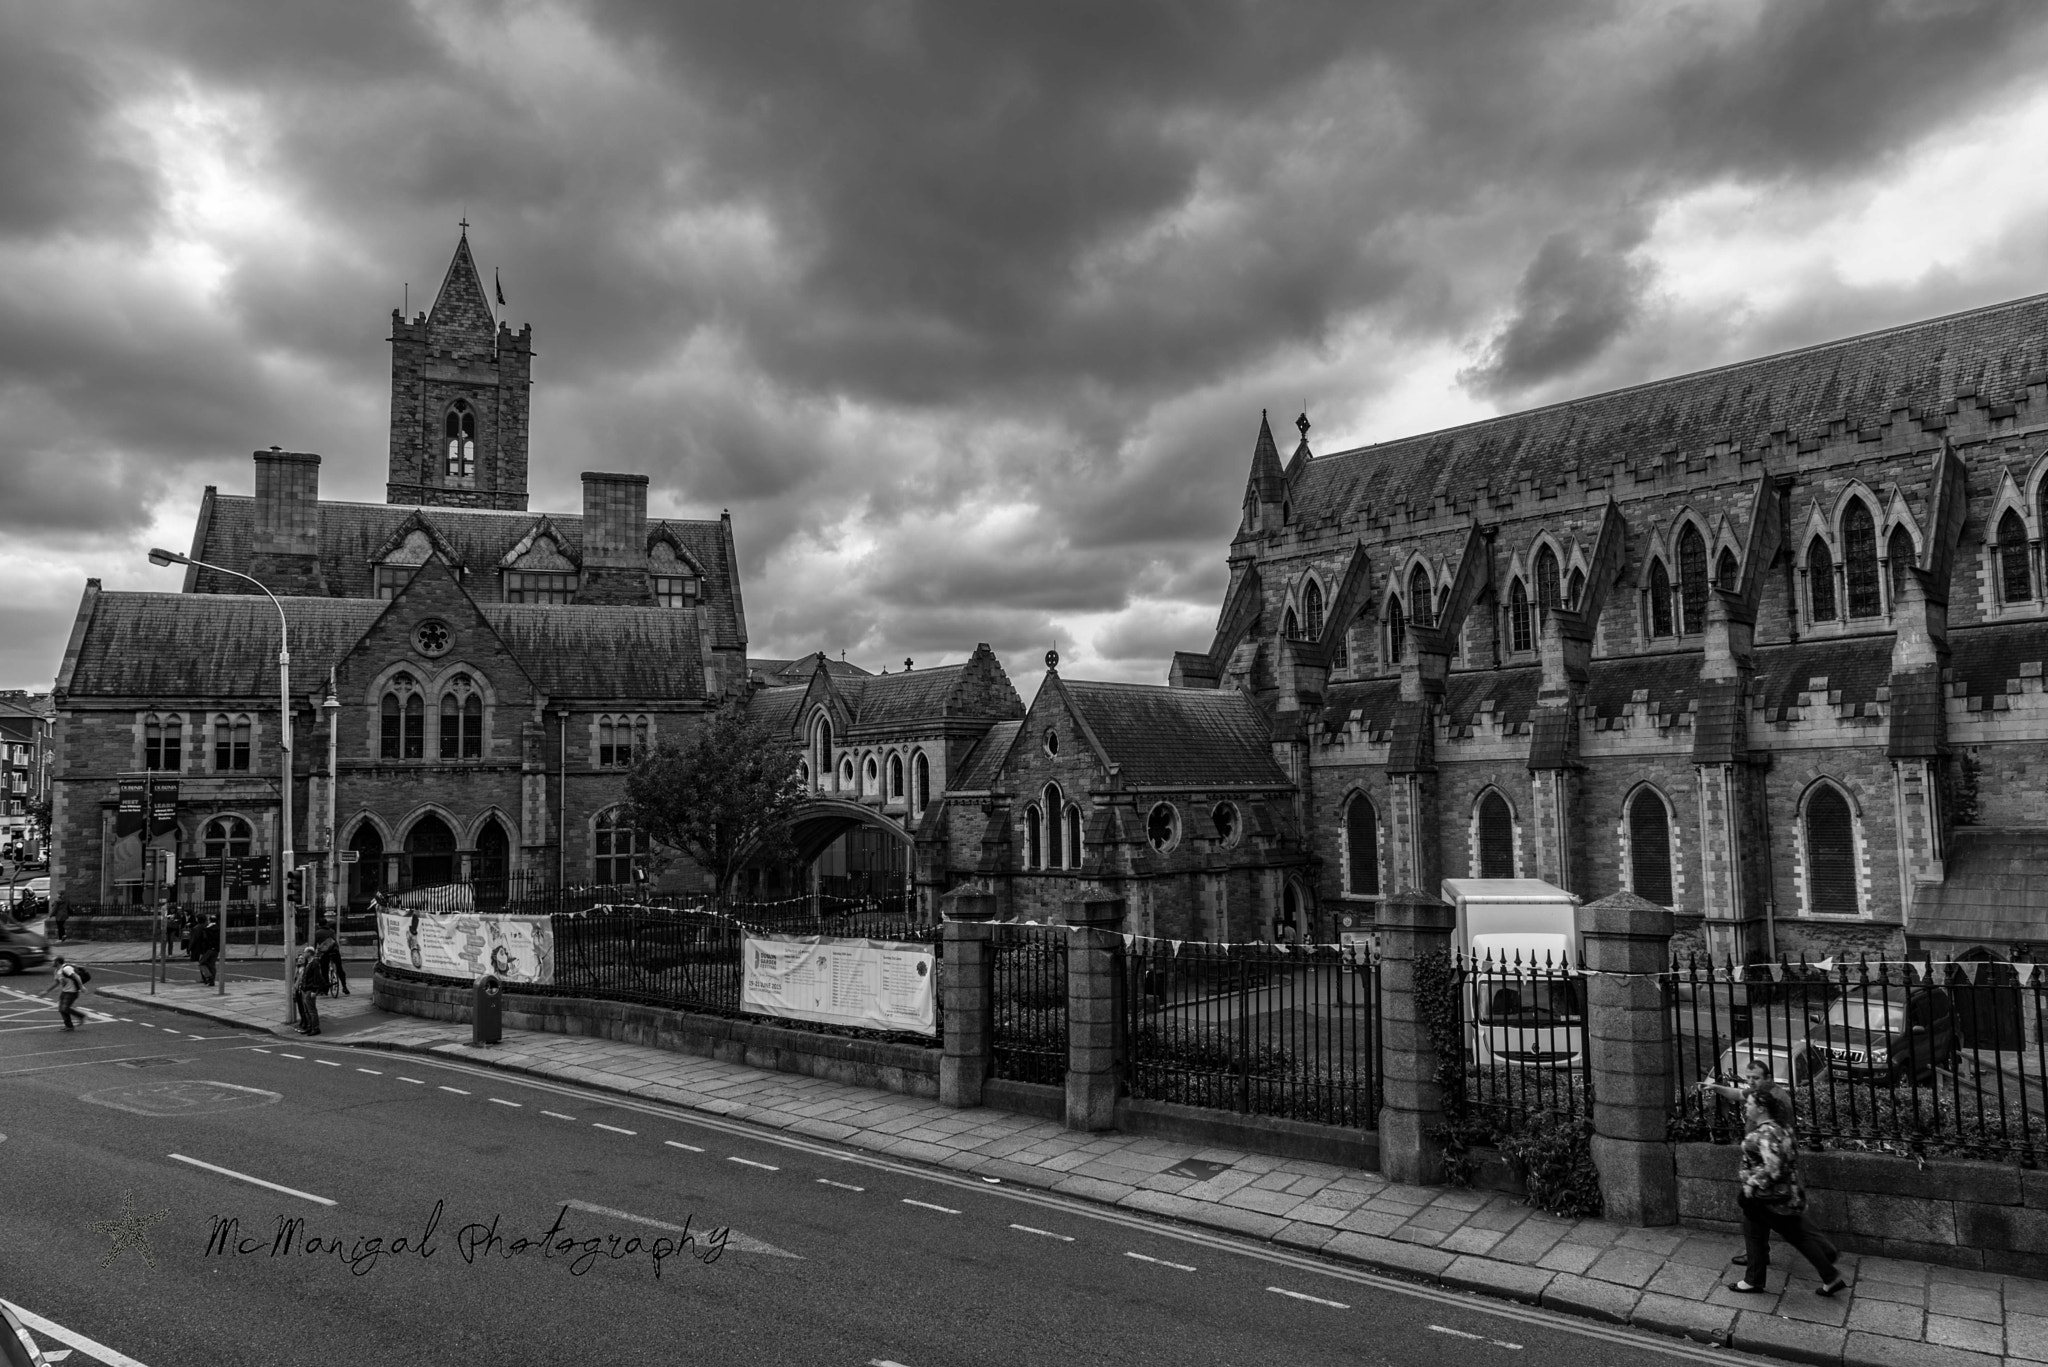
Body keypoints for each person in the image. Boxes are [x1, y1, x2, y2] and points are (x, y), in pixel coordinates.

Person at [1726, 1086, 1846, 1296]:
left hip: (1769, 1198)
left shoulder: (1766, 1133)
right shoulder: (1783, 1128)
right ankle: (1753, 1280)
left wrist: (1752, 1182)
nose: (1746, 1106)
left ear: (1762, 1108)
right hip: (1782, 1194)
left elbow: (1773, 1167)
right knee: (1754, 1231)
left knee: (1798, 1237)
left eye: (1750, 1104)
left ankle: (1830, 1275)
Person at [39, 956, 89, 1030]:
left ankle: (81, 1016)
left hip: (72, 992)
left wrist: (81, 987)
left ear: (57, 962)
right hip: (65, 992)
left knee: (65, 1008)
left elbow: (76, 976)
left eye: (53, 961)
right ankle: (69, 1026)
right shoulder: (56, 971)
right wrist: (47, 991)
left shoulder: (66, 969)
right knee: (61, 1009)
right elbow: (56, 983)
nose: (51, 962)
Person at [292, 944, 326, 1036]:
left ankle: (315, 1028)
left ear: (309, 953)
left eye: (305, 952)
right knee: (306, 1010)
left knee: (312, 1011)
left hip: (310, 990)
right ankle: (309, 1027)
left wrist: (314, 991)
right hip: (305, 990)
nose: (303, 953)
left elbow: (316, 978)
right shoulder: (308, 963)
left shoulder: (314, 963)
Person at [317, 923, 349, 997]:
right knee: (339, 968)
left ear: (319, 925)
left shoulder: (318, 932)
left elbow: (315, 943)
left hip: (325, 953)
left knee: (324, 970)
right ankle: (344, 986)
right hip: (335, 952)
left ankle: (325, 990)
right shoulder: (332, 931)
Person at [193, 915, 220, 987]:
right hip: (216, 949)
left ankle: (209, 977)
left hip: (209, 949)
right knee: (212, 965)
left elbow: (205, 940)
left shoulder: (207, 929)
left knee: (201, 963)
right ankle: (212, 981)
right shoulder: (219, 928)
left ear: (209, 920)